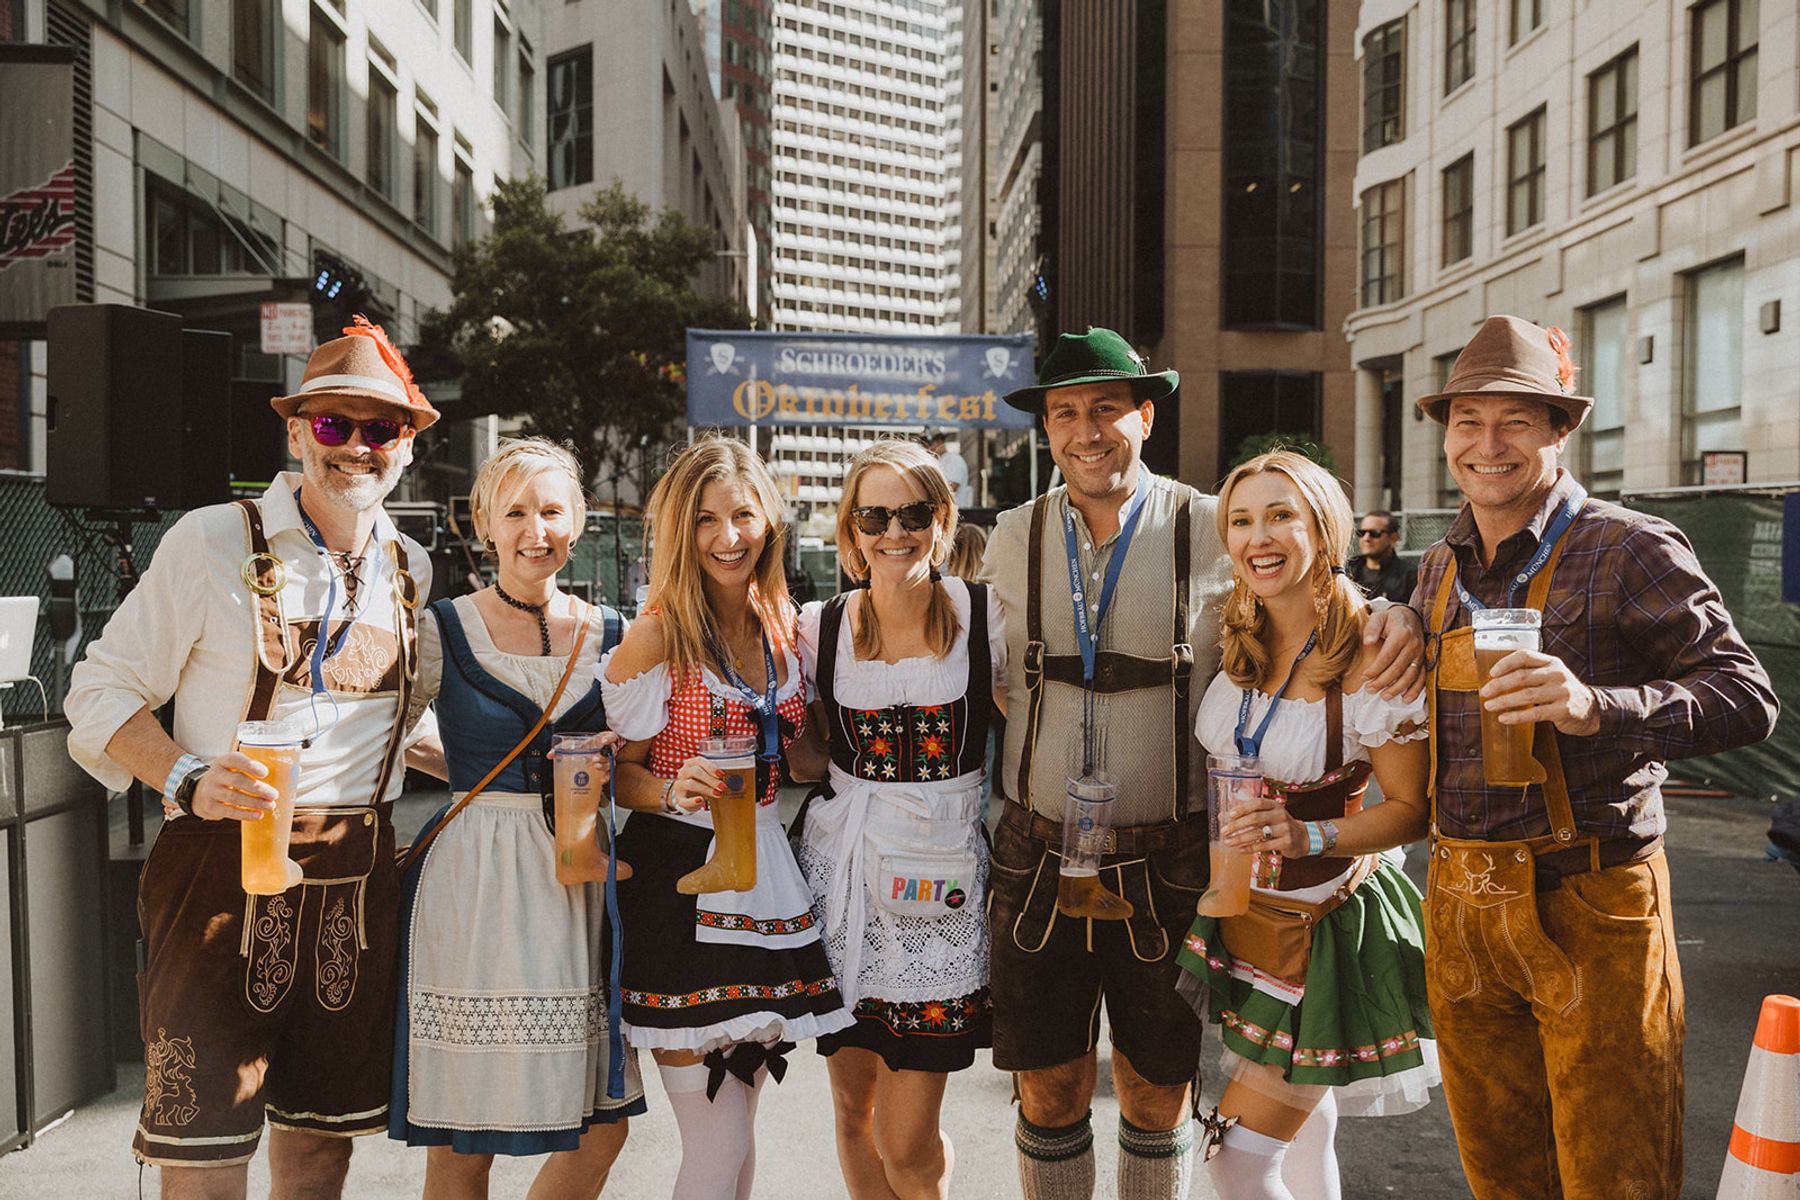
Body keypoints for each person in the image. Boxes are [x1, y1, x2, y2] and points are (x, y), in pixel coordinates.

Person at [978, 328, 1425, 1200]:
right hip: (1037, 850)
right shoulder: (1005, 538)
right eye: (1065, 412)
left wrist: (1392, 615)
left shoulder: (1212, 526)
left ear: (1145, 417)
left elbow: (1306, 590)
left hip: (1171, 853)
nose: (1085, 430)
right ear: (1046, 429)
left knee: (1156, 1090)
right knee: (1050, 1084)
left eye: (1107, 408)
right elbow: (980, 670)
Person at [64, 318, 444, 1197]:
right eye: (331, 425)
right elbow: (101, 692)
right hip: (217, 876)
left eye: (379, 428)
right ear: (294, 431)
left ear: (409, 446)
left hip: (355, 882)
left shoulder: (412, 566)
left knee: (321, 1147)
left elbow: (394, 731)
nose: (355, 447)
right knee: (203, 1150)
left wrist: (504, 763)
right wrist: (185, 777)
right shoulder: (212, 541)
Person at [1413, 315, 1778, 1198]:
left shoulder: (1629, 546)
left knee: (1616, 1173)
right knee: (1502, 1178)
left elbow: (1747, 697)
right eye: (1468, 422)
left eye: (1514, 422)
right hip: (1461, 903)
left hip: (1592, 901)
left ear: (1559, 430)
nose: (1486, 445)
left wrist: (1597, 707)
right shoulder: (1435, 567)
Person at [1172, 451, 1436, 1198]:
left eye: (1282, 515)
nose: (1260, 536)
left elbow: (1410, 811)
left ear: (1325, 528)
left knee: (1236, 1158)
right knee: (1307, 1127)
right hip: (1250, 915)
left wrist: (1309, 835)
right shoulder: (1241, 632)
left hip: (1322, 931)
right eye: (1243, 519)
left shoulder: (1373, 652)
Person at [388, 439, 643, 1196]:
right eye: (518, 512)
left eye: (553, 511)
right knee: (464, 1140)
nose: (537, 529)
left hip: (576, 876)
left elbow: (637, 752)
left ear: (579, 522)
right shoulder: (443, 624)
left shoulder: (614, 632)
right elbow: (389, 729)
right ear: (485, 524)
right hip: (478, 883)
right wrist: (476, 776)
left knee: (603, 1125)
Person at [601, 436, 852, 1200]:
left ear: (770, 523)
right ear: (681, 532)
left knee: (742, 1139)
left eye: (743, 515)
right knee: (720, 1140)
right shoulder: (655, 636)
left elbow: (805, 759)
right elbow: (615, 772)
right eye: (706, 520)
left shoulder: (784, 629)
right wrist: (674, 787)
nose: (727, 536)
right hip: (681, 882)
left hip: (767, 870)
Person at [793, 440, 1007, 1199]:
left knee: (906, 1140)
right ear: (851, 530)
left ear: (940, 520)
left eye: (913, 513)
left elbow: (1035, 723)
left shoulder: (982, 618)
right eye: (874, 515)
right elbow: (804, 752)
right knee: (854, 1112)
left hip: (937, 896)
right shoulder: (816, 627)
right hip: (843, 887)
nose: (894, 531)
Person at [1345, 511, 1415, 603]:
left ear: (1393, 538)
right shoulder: (1348, 572)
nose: (1366, 538)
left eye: (1375, 533)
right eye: (1362, 533)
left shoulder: (1410, 577)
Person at [927, 430, 973, 508]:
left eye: (930, 445)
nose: (929, 449)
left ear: (939, 442)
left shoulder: (952, 459)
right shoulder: (941, 460)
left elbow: (952, 487)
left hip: (955, 511)